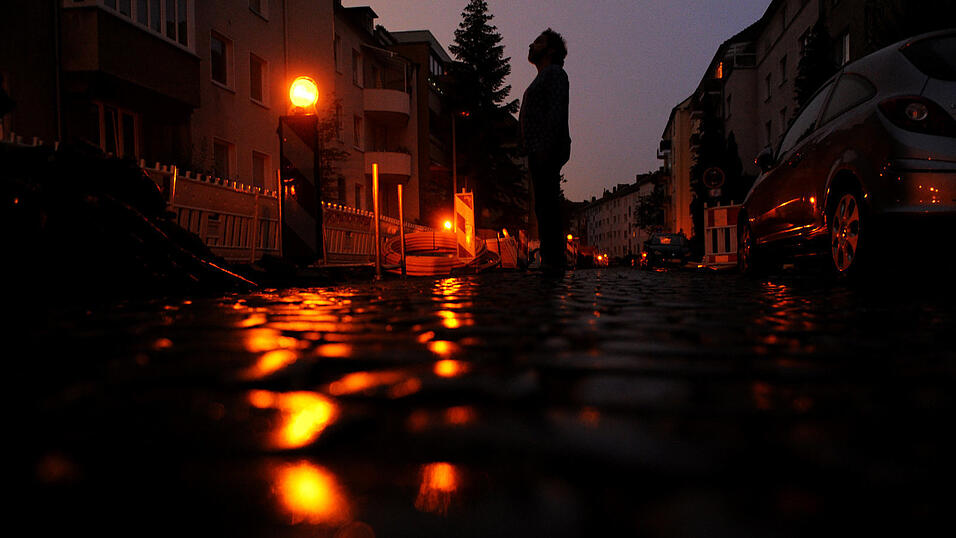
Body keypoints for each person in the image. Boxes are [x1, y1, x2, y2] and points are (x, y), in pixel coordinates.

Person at [519, 28, 571, 274]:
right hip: (538, 148)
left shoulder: (554, 74)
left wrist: (547, 148)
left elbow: (556, 112)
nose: (531, 44)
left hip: (545, 148)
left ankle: (553, 261)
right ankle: (552, 259)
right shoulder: (544, 76)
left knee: (547, 204)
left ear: (551, 50)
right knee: (543, 204)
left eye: (538, 41)